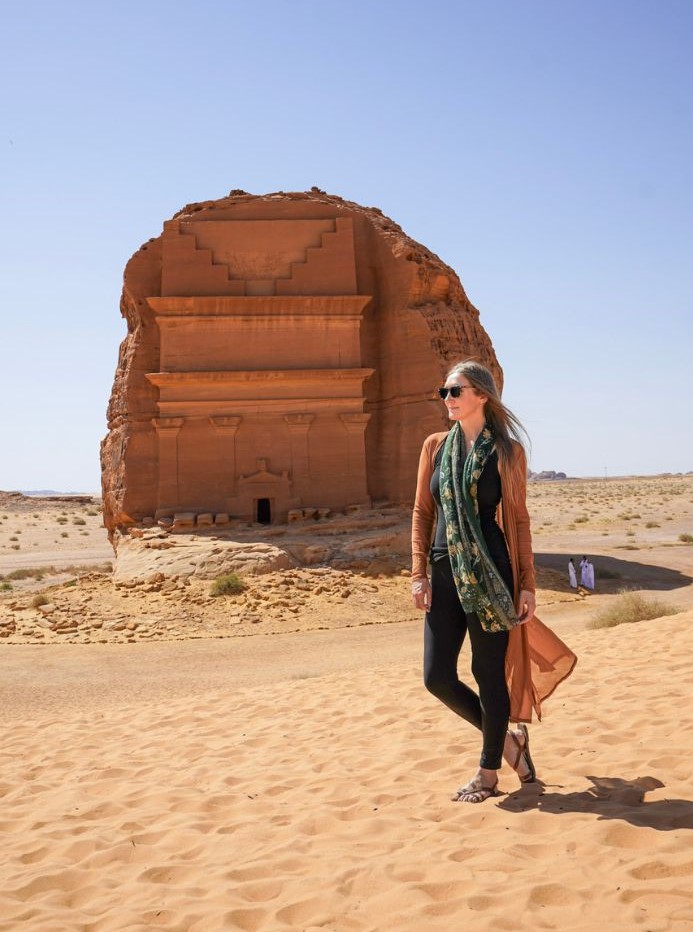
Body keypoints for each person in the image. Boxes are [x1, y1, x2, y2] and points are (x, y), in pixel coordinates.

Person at [411, 361, 577, 804]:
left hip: (491, 573)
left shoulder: (507, 452)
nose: (446, 399)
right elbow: (423, 514)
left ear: (481, 395)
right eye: (443, 391)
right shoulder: (434, 447)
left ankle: (487, 774)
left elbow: (518, 520)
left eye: (454, 390)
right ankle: (507, 743)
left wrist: (527, 584)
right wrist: (418, 573)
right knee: (437, 677)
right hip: (444, 569)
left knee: (487, 675)